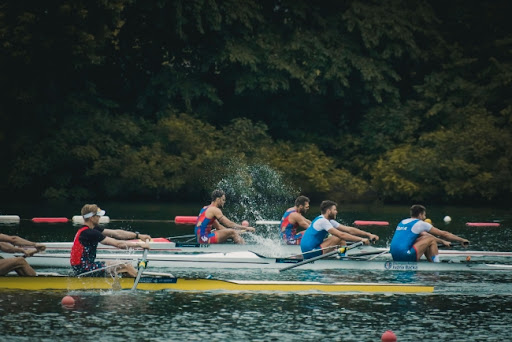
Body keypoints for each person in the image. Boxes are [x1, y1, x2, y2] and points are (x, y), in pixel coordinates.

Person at [70, 204, 151, 277]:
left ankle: (131, 280)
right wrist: (140, 245)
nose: (99, 218)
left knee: (121, 267)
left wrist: (138, 236)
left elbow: (117, 233)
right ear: (91, 218)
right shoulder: (89, 233)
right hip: (84, 270)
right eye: (98, 216)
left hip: (85, 266)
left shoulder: (91, 230)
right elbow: (118, 244)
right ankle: (144, 282)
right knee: (126, 266)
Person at [300, 200, 379, 259]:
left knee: (341, 240)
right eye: (335, 210)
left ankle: (343, 257)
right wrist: (361, 240)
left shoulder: (327, 220)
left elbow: (348, 230)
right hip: (311, 252)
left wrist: (368, 234)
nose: (336, 212)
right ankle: (343, 260)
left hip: (310, 250)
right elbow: (341, 235)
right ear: (328, 211)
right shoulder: (323, 221)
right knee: (339, 237)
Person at [390, 204, 469, 262]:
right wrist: (461, 240)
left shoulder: (403, 222)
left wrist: (443, 242)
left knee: (425, 239)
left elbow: (424, 235)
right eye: (424, 215)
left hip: (394, 256)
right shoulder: (420, 223)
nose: (425, 217)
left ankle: (431, 262)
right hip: (405, 256)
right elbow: (444, 234)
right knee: (431, 239)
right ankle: (436, 264)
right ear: (420, 214)